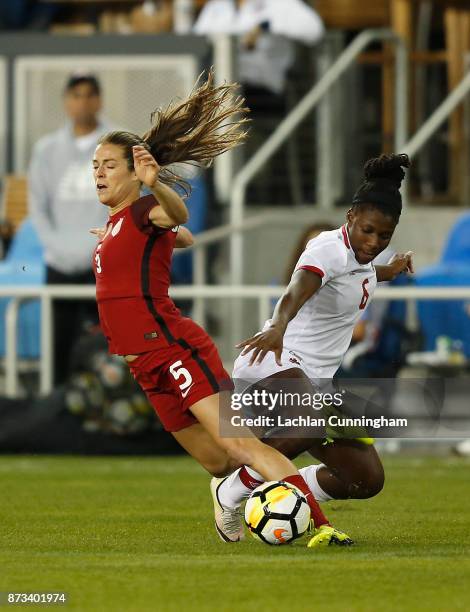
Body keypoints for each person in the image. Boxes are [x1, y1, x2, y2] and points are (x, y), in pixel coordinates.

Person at [91, 72, 352, 549]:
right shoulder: (117, 225)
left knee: (241, 446)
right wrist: (143, 237)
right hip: (143, 363)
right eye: (96, 166)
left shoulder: (145, 209)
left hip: (172, 348)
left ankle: (321, 525)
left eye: (109, 164)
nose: (99, 173)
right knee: (218, 462)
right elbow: (180, 236)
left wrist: (158, 193)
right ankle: (232, 484)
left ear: (136, 171)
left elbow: (179, 219)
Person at [212, 154, 414, 537]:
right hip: (273, 360)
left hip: (315, 383)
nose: (374, 242)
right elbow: (298, 287)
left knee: (365, 479)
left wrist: (395, 266)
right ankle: (233, 489)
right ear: (351, 216)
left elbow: (366, 274)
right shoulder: (325, 248)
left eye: (384, 236)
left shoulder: (361, 258)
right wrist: (277, 325)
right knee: (307, 424)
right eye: (368, 230)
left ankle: (287, 489)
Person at [29, 73, 111, 384]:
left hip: (104, 260)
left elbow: (126, 203)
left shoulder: (118, 144)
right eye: (76, 95)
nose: (83, 102)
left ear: (99, 100)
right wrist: (59, 247)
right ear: (66, 101)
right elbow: (38, 208)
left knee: (110, 343)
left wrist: (101, 246)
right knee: (58, 345)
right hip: (59, 263)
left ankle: (105, 410)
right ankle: (57, 406)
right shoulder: (46, 149)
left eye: (89, 95)